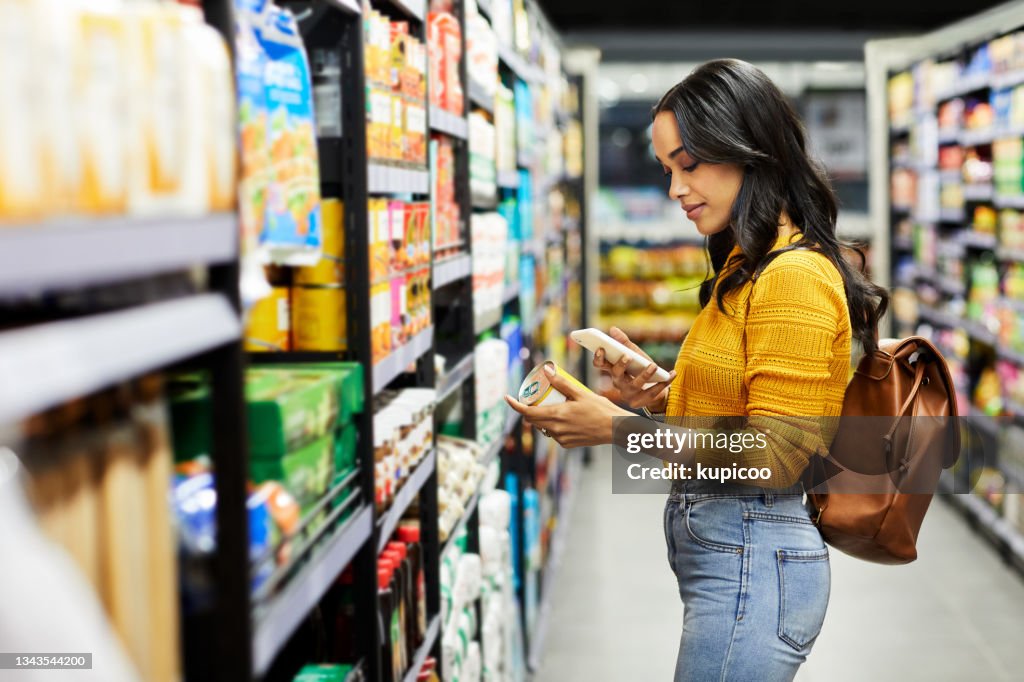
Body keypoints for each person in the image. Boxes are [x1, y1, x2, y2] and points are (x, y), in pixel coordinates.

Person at [505, 58, 888, 681]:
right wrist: (658, 394)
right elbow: (738, 415)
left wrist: (619, 432)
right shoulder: (749, 264)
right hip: (736, 562)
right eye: (666, 170)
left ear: (751, 152)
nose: (676, 189)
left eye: (690, 164)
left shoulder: (793, 276)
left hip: (754, 565)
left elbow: (778, 454)